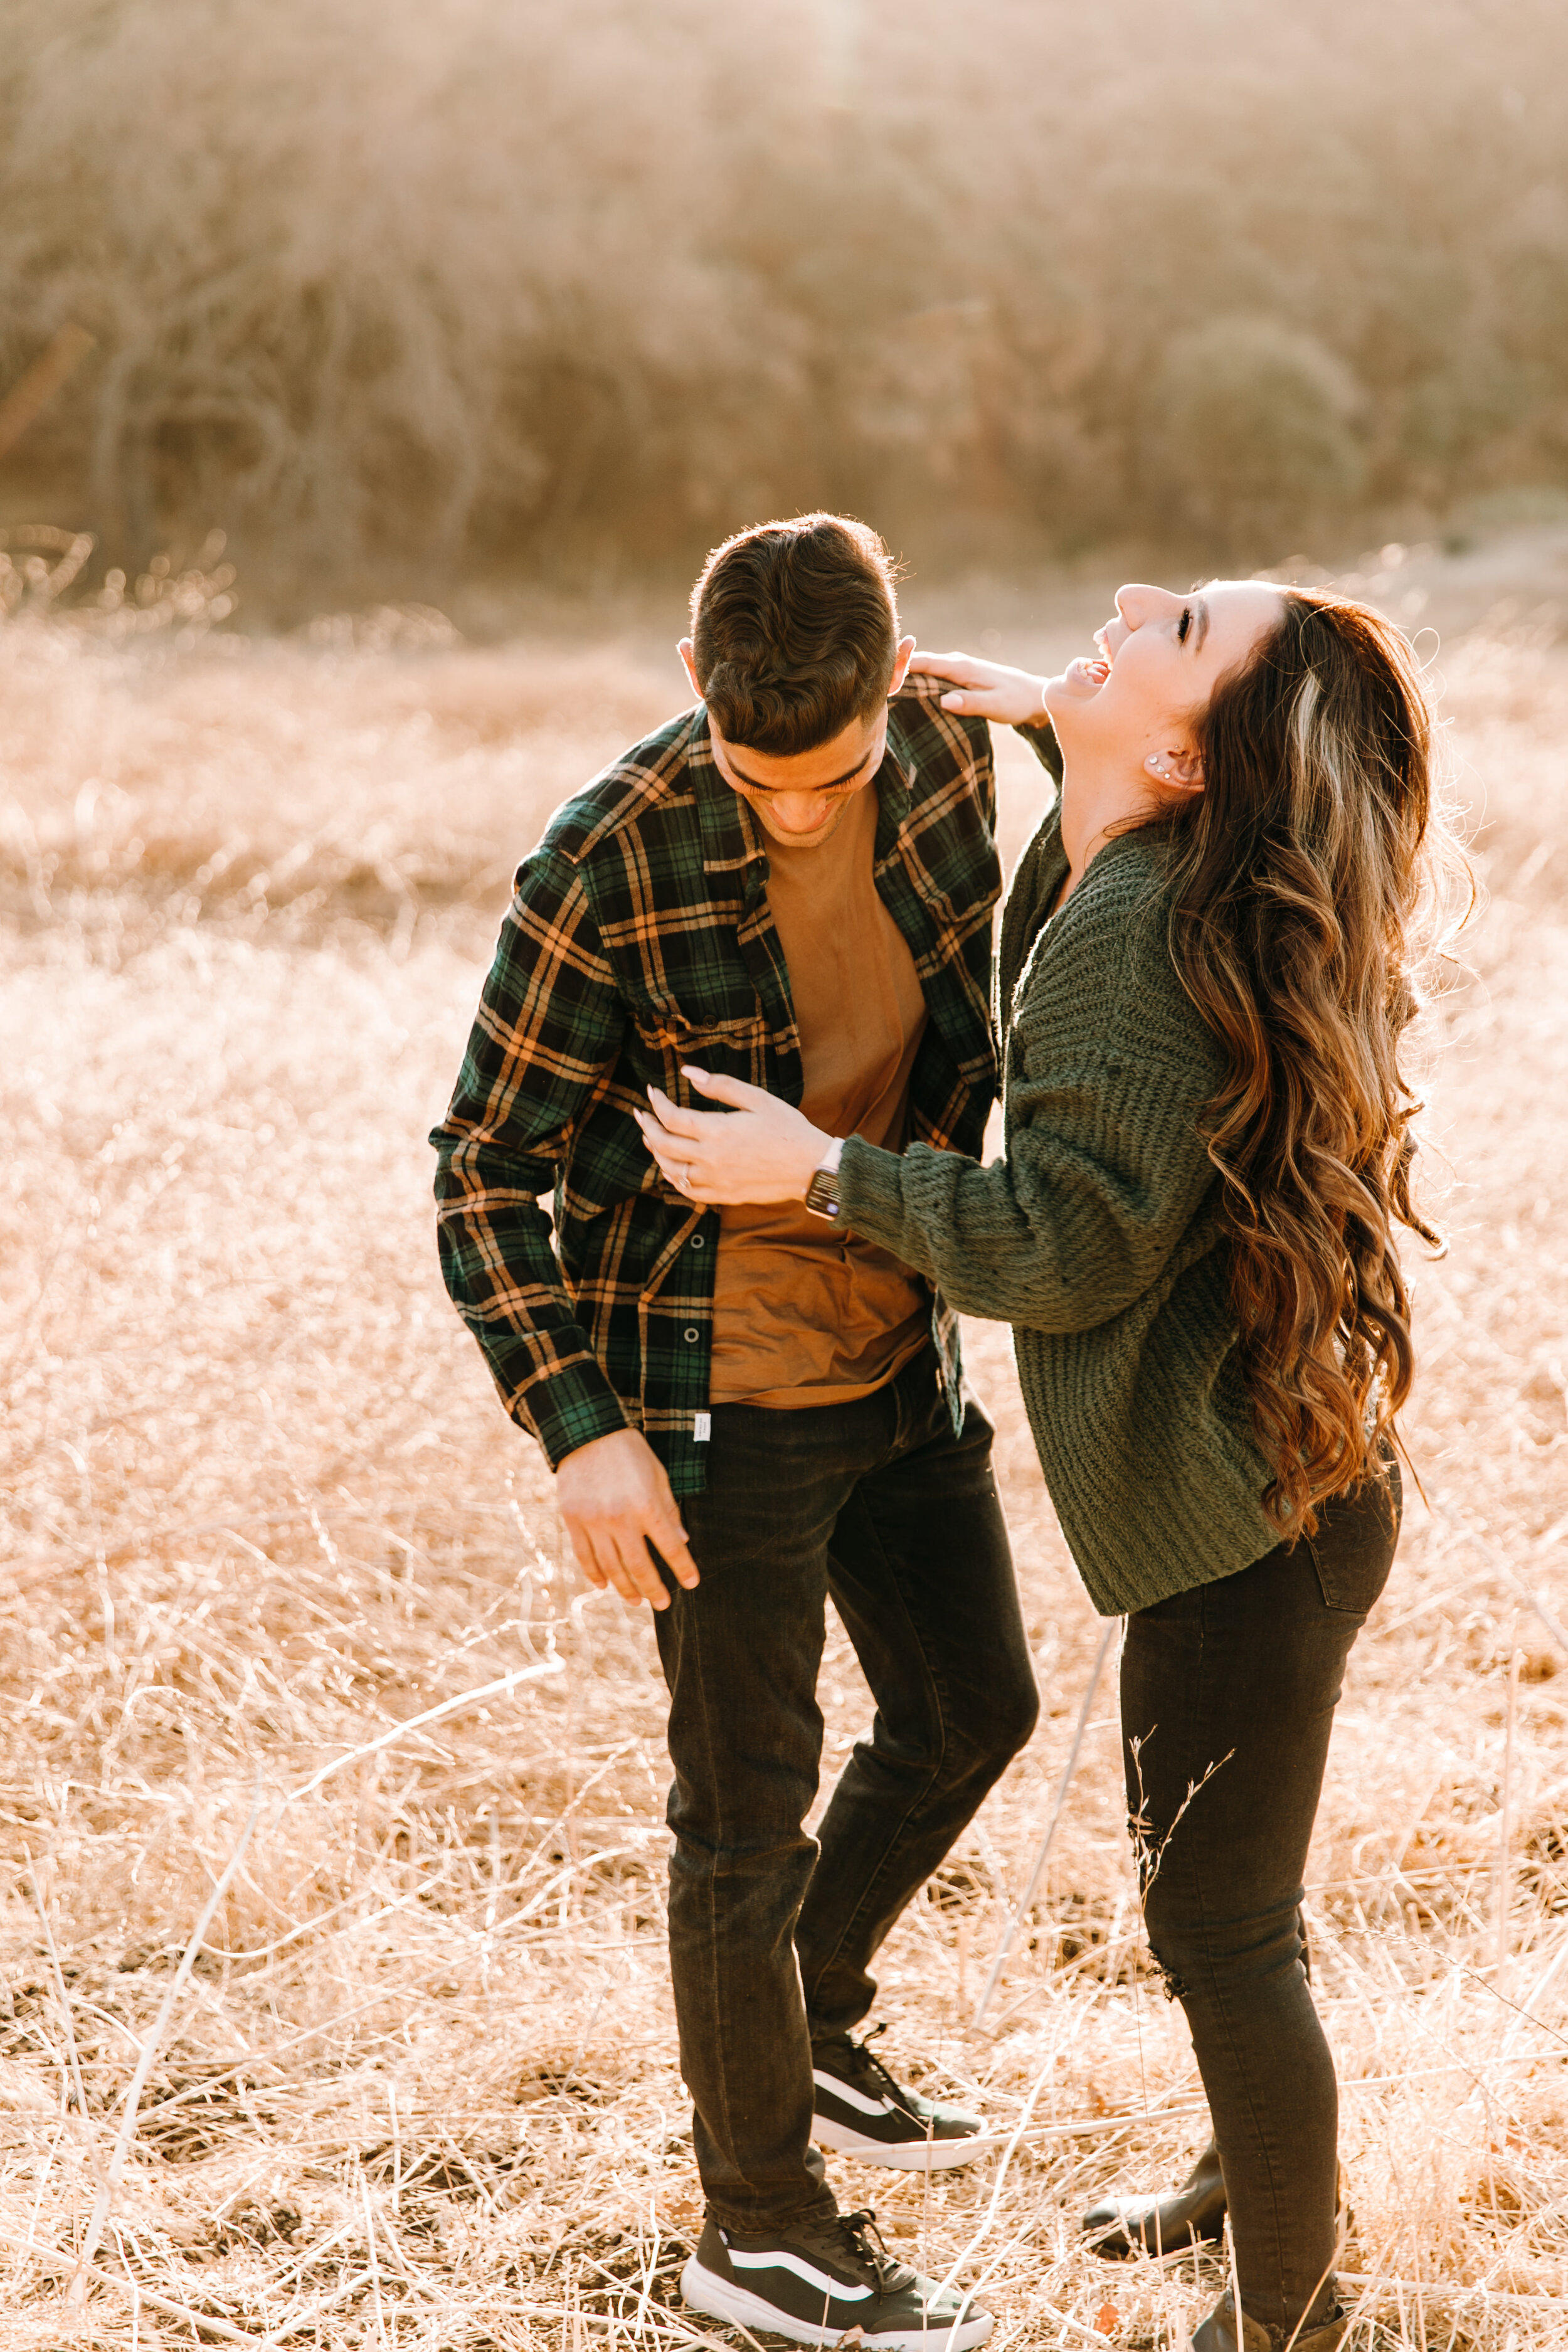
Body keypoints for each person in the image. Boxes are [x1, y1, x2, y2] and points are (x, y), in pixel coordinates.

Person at [638, 578, 1454, 2352]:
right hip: (1273, 1501)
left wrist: (819, 1171)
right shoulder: (1143, 869)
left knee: (1218, 1926)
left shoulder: (1139, 918)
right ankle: (1243, 2191)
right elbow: (1104, 901)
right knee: (1225, 1901)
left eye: (1171, 628)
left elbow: (1066, 1243)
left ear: (1185, 751)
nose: (1122, 598)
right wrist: (1064, 721)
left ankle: (1285, 2314)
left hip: (1245, 1536)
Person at [431, 514, 1044, 2352]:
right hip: (708, 1405)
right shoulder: (603, 857)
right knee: (741, 1823)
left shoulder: (944, 751)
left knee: (971, 1707)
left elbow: (1160, 771)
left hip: (895, 1333)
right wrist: (575, 1433)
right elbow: (481, 1176)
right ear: (696, 686)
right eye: (757, 778)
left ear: (891, 686)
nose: (795, 811)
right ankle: (758, 2229)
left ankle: (815, 2020)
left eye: (830, 771)